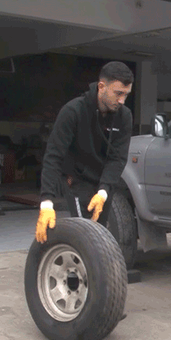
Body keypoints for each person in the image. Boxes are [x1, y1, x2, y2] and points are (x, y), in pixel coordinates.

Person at [35, 61, 133, 243]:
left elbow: (118, 158)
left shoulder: (124, 116)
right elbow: (53, 157)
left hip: (103, 180)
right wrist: (46, 202)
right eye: (118, 93)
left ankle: (96, 268)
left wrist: (104, 191)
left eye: (126, 95)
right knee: (87, 235)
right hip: (77, 178)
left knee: (100, 233)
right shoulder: (73, 111)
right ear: (102, 87)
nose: (122, 100)